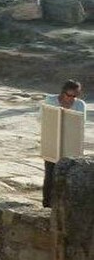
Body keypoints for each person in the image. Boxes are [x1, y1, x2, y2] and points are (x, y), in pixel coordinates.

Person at [40, 79, 87, 207]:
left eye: (75, 96)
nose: (72, 98)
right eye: (69, 95)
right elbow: (44, 119)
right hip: (53, 139)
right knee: (50, 173)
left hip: (70, 141)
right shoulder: (51, 101)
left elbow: (80, 124)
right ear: (63, 93)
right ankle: (47, 203)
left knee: (68, 175)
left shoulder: (80, 104)